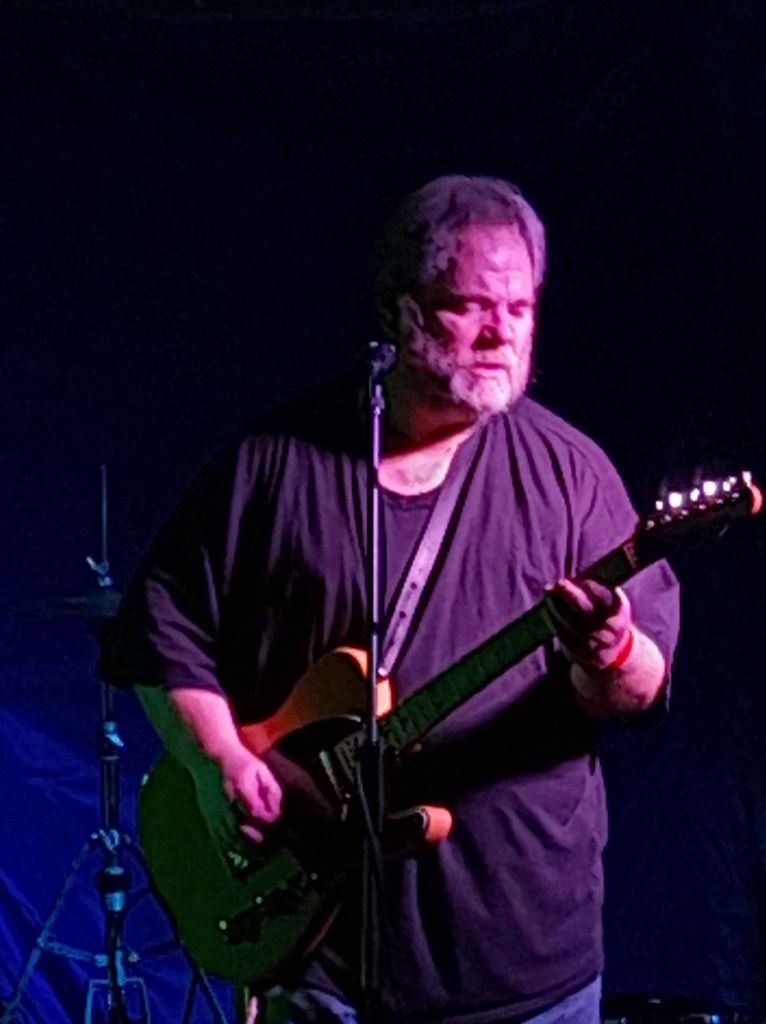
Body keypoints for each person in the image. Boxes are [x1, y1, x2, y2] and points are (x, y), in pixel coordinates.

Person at [102, 175, 680, 1024]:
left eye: (519, 309)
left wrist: (612, 652)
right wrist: (216, 759)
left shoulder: (573, 476)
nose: (500, 333)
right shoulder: (276, 462)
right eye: (468, 306)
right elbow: (164, 631)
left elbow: (640, 690)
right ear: (397, 311)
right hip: (320, 958)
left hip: (525, 969)